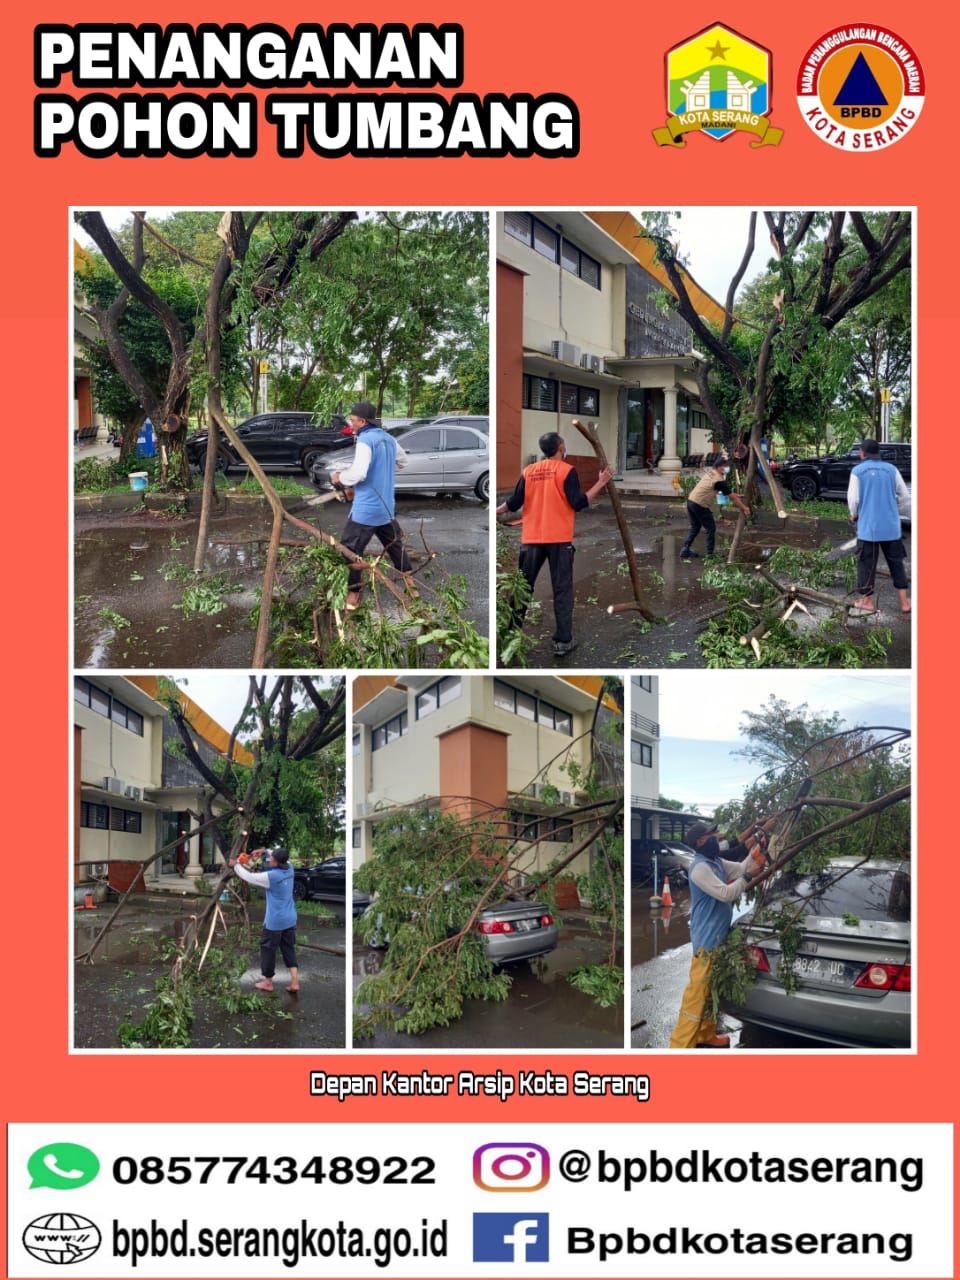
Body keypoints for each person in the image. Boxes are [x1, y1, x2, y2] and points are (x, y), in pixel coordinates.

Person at [496, 432, 612, 657]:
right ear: (561, 447)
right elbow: (578, 502)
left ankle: (510, 635)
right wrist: (602, 482)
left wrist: (496, 511)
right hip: (558, 540)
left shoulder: (529, 471)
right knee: (562, 590)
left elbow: (513, 502)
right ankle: (562, 641)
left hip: (531, 540)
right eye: (564, 444)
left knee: (522, 589)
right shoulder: (567, 471)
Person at [669, 820, 765, 1049]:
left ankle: (705, 1034)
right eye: (713, 835)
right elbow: (726, 893)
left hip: (718, 936)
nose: (718, 837)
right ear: (701, 841)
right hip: (706, 940)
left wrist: (757, 848)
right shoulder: (700, 868)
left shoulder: (716, 862)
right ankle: (679, 1046)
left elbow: (741, 868)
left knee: (711, 992)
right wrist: (749, 877)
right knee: (697, 995)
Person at [330, 401, 413, 611]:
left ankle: (353, 594)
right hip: (386, 508)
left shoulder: (366, 440)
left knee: (350, 551)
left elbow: (358, 473)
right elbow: (403, 463)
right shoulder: (389, 439)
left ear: (363, 421)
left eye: (353, 419)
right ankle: (412, 587)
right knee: (395, 546)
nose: (351, 422)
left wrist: (340, 477)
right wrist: (381, 472)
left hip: (366, 511)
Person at [846, 438, 911, 614]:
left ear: (862, 453)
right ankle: (905, 603)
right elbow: (904, 497)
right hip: (891, 527)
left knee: (866, 565)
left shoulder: (857, 471)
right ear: (878, 453)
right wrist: (892, 509)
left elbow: (854, 500)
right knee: (896, 564)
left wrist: (855, 515)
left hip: (869, 530)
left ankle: (867, 602)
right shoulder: (892, 469)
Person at [229, 847, 299, 993]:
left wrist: (236, 864)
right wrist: (265, 850)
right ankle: (294, 982)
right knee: (288, 948)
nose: (269, 859)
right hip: (290, 918)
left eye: (271, 858)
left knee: (268, 950)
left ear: (277, 862)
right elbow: (275, 855)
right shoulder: (290, 868)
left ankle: (268, 982)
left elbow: (249, 877)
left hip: (275, 922)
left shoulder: (272, 877)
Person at [679, 457, 751, 561]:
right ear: (720, 467)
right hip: (700, 504)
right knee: (710, 528)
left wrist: (735, 495)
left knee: (695, 527)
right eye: (726, 466)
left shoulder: (712, 473)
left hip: (691, 501)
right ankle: (709, 555)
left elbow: (729, 494)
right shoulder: (719, 480)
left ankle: (684, 550)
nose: (728, 468)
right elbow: (731, 497)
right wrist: (745, 508)